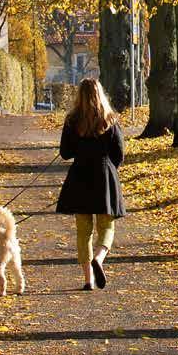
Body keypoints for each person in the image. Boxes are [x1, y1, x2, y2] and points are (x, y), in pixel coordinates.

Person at [55, 78, 126, 290]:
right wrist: (109, 169)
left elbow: (65, 153)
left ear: (80, 96)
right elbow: (119, 154)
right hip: (104, 177)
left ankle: (88, 280)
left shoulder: (72, 121)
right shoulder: (110, 120)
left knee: (83, 231)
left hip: (80, 177)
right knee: (107, 226)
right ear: (101, 94)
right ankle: (99, 258)